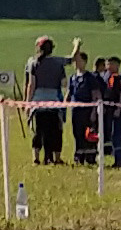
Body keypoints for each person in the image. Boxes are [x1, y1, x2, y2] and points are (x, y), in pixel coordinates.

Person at [26, 36, 66, 164]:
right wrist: (77, 46)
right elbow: (64, 83)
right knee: (54, 131)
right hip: (54, 102)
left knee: (38, 131)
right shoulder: (58, 62)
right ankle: (55, 158)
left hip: (38, 103)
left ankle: (36, 158)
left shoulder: (33, 62)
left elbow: (31, 85)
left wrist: (28, 103)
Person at [68, 49, 105, 166]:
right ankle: (79, 156)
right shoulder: (72, 78)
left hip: (87, 110)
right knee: (77, 133)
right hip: (76, 110)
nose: (76, 64)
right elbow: (69, 93)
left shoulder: (90, 78)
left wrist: (95, 111)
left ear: (84, 62)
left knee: (88, 134)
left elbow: (96, 95)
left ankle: (90, 157)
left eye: (78, 61)